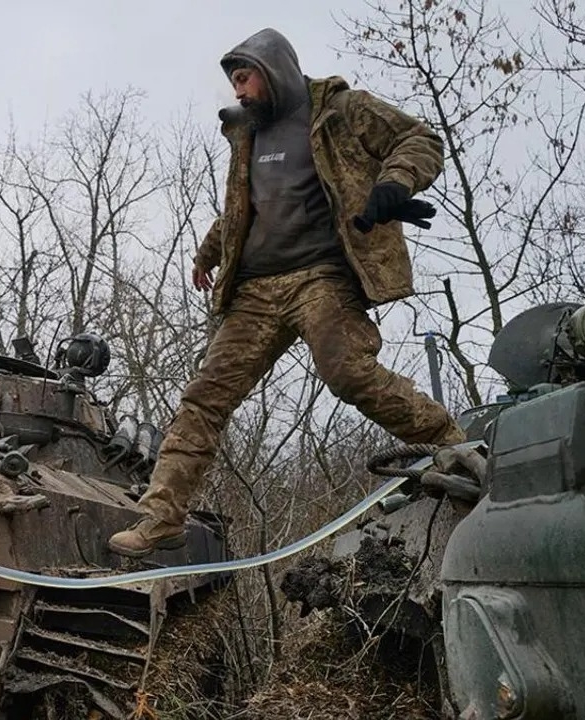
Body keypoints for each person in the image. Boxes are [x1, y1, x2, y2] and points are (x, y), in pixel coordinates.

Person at [107, 28, 467, 558]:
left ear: (273, 69)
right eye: (233, 82)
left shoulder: (341, 110)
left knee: (346, 370)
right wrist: (209, 252)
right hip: (255, 290)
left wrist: (394, 182)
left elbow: (420, 140)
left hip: (321, 276)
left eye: (244, 77)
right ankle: (162, 518)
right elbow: (247, 204)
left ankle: (453, 443)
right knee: (204, 398)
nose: (238, 91)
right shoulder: (247, 132)